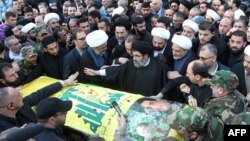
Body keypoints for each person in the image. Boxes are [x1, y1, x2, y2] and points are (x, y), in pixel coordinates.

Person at [84, 40, 168, 96]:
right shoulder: (131, 64)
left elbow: (168, 85)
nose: (134, 58)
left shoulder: (160, 67)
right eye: (133, 55)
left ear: (146, 55)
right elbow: (116, 70)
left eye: (137, 56)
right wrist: (96, 72)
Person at [0, 72, 78, 132]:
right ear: (11, 106)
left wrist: (64, 82)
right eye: (18, 95)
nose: (22, 94)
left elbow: (40, 94)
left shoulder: (23, 103)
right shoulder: (5, 132)